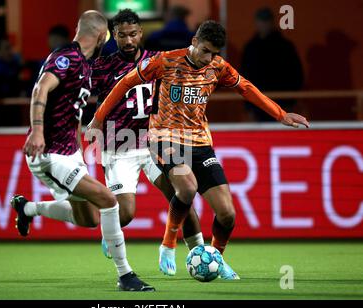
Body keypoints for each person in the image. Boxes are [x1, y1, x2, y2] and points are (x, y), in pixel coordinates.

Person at [89, 20, 310, 279]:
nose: (209, 58)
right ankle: (168, 245)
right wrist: (99, 117)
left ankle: (214, 257)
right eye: (205, 50)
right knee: (187, 188)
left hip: (201, 143)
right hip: (165, 138)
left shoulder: (217, 67)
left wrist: (281, 114)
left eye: (215, 53)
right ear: (194, 41)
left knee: (227, 214)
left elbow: (246, 88)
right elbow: (125, 83)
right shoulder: (165, 61)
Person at [10, 10, 154, 292]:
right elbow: (40, 90)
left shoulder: (87, 66)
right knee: (108, 200)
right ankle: (126, 275)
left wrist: (78, 146)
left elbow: (70, 113)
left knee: (89, 219)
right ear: (103, 36)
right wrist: (37, 130)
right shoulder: (68, 58)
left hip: (67, 152)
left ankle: (27, 208)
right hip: (49, 153)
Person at [90, 9, 204, 275]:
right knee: (126, 213)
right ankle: (110, 230)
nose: (128, 41)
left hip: (155, 143)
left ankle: (203, 254)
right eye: (121, 36)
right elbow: (77, 89)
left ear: (140, 33)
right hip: (118, 146)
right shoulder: (103, 67)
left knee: (182, 195)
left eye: (132, 34)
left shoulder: (158, 61)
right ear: (113, 37)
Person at [241, 7, 304, 122]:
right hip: (258, 105)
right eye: (261, 21)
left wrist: (291, 101)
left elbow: (296, 74)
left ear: (272, 22)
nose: (263, 24)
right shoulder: (251, 47)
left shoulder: (285, 46)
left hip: (282, 103)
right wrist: (248, 106)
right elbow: (244, 76)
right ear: (256, 23)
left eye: (266, 21)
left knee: (281, 138)